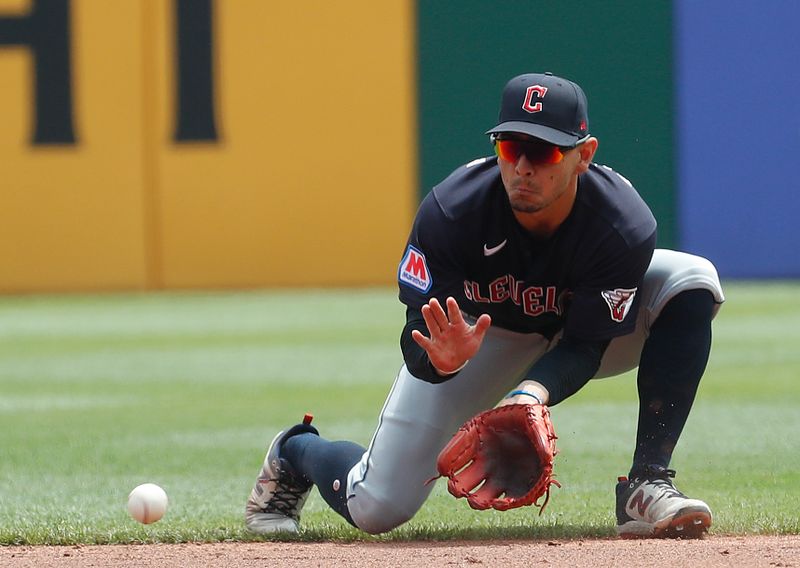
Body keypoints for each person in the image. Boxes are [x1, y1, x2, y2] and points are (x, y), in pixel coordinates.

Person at [245, 72, 724, 539]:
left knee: (691, 279)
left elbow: (585, 343)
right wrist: (439, 361)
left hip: (582, 332)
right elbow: (417, 331)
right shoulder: (453, 211)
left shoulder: (623, 223)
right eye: (511, 148)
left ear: (584, 156)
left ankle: (647, 483)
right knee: (375, 507)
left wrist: (529, 395)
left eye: (544, 150)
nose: (523, 167)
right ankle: (295, 451)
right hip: (484, 338)